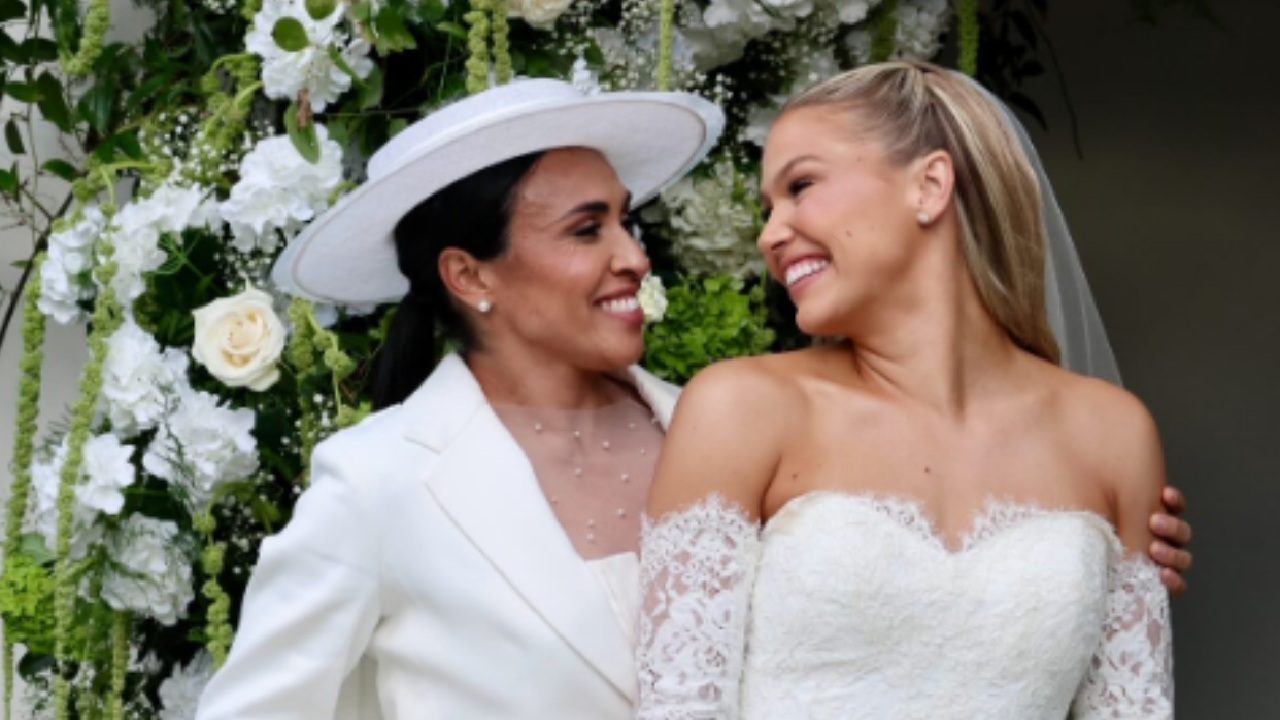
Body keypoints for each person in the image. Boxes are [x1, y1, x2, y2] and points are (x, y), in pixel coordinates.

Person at [196, 78, 1189, 720]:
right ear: (470, 275)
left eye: (628, 221)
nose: (634, 255)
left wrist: (1075, 570)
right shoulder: (378, 483)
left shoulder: (724, 419)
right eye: (588, 230)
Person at [636, 61, 1180, 719]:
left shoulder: (1112, 436)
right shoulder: (741, 409)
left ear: (929, 185)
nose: (770, 234)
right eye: (766, 207)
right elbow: (679, 707)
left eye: (801, 185)